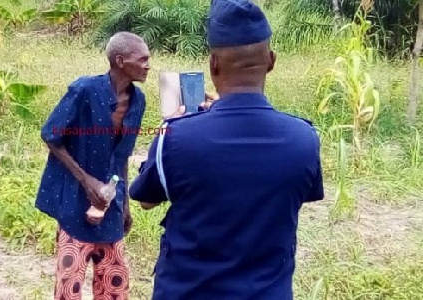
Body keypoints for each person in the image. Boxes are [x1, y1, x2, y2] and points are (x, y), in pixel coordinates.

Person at [128, 0, 325, 299]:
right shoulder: (304, 139)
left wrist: (180, 127)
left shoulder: (176, 136)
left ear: (213, 64)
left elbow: (145, 200)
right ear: (271, 61)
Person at [36, 31, 151, 299]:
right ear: (120, 61)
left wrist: (124, 207)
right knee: (69, 286)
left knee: (114, 287)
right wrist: (87, 182)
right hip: (75, 203)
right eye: (142, 59)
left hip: (111, 205)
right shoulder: (85, 90)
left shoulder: (138, 101)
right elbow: (50, 135)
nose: (148, 65)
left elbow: (121, 157)